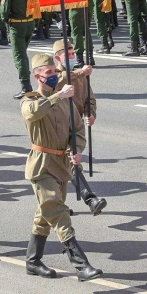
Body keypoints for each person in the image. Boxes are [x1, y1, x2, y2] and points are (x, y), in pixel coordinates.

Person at [22, 53, 104, 281]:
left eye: (54, 72)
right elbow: (34, 112)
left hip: (61, 164)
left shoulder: (67, 101)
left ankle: (32, 260)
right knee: (58, 212)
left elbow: (77, 129)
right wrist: (58, 95)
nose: (53, 76)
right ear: (37, 75)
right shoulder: (30, 99)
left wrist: (76, 149)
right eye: (48, 73)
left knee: (45, 214)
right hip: (41, 165)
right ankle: (81, 265)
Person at [53, 39, 107, 215]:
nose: (71, 57)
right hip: (59, 125)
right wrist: (80, 73)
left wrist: (90, 113)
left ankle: (57, 205)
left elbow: (89, 98)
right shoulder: (53, 75)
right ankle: (90, 199)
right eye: (66, 55)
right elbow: (62, 81)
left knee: (68, 163)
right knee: (71, 162)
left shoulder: (81, 76)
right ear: (57, 58)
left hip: (75, 126)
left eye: (72, 54)